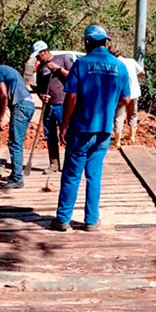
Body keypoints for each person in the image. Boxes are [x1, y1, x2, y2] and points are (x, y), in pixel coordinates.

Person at [54, 25, 131, 231]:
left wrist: (64, 126)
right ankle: (91, 220)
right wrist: (109, 104)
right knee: (93, 175)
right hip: (103, 131)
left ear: (88, 42)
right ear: (105, 42)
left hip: (81, 129)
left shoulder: (81, 64)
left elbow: (71, 97)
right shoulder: (119, 67)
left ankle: (63, 219)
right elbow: (126, 99)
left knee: (72, 174)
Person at [0, 57, 34, 189]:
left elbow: (3, 95)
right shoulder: (8, 70)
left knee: (15, 143)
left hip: (21, 106)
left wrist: (0, 120)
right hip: (29, 104)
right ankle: (15, 174)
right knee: (17, 141)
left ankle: (17, 179)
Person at [32, 40, 73, 173]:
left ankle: (70, 165)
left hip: (64, 105)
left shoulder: (63, 59)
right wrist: (42, 96)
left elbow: (74, 77)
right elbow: (39, 88)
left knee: (67, 135)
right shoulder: (40, 68)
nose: (37, 59)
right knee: (50, 135)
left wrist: (59, 69)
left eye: (38, 55)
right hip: (49, 106)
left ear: (44, 52)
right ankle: (54, 164)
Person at [108, 43, 145, 144]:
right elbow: (142, 72)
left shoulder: (114, 64)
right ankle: (132, 136)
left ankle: (117, 140)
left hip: (122, 94)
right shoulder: (131, 61)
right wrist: (134, 76)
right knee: (133, 114)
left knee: (119, 116)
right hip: (134, 92)